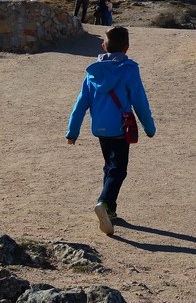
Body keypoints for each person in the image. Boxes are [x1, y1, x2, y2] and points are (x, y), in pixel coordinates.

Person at [65, 26, 156, 236]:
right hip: (120, 128)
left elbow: (81, 104)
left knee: (109, 166)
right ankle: (104, 203)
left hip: (100, 128)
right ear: (127, 48)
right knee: (119, 169)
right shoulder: (130, 69)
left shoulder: (93, 72)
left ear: (103, 46)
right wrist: (149, 127)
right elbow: (139, 101)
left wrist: (72, 131)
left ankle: (110, 210)